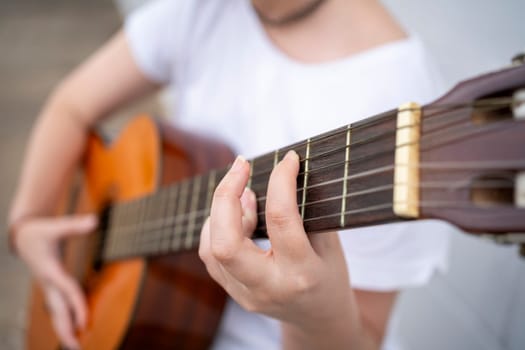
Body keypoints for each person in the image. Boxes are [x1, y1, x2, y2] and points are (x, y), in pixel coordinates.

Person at [8, 0, 451, 349]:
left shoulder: (400, 97)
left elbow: (364, 338)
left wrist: (312, 314)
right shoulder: (200, 10)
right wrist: (26, 222)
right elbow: (71, 105)